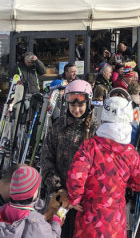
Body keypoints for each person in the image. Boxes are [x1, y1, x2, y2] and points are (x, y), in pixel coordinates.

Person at [67, 96, 140, 237]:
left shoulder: (90, 146)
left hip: (89, 221)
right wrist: (125, 181)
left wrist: (75, 199)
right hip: (114, 223)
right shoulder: (130, 152)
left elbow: (76, 175)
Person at [40, 79, 96, 238]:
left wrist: (80, 196)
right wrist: (59, 189)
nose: (76, 110)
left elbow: (99, 166)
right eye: (73, 105)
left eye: (80, 105)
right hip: (61, 198)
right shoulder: (58, 126)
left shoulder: (95, 128)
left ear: (88, 103)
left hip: (84, 202)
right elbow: (46, 159)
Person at [0, 165, 65, 236]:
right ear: (32, 193)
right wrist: (56, 220)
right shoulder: (36, 222)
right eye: (36, 188)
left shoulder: (3, 209)